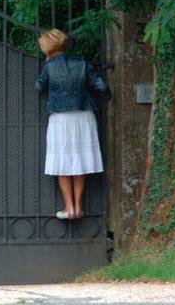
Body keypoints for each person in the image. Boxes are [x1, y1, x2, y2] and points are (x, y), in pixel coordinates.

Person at [35, 29, 110, 220]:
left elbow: (39, 87)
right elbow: (100, 86)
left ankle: (69, 208)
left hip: (61, 117)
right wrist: (109, 96)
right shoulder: (81, 62)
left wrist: (46, 66)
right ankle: (78, 206)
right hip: (84, 115)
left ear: (47, 48)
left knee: (62, 161)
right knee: (79, 160)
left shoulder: (49, 66)